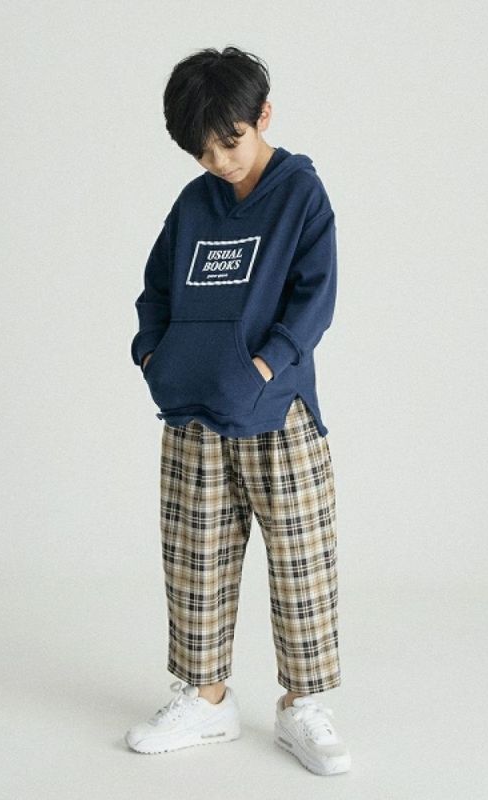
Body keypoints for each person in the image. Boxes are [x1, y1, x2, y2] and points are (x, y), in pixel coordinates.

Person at [124, 45, 350, 776]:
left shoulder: (300, 193)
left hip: (277, 408)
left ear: (264, 116)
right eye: (203, 151)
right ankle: (206, 699)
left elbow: (315, 296)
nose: (220, 161)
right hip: (192, 412)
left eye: (232, 140)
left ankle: (302, 706)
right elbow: (157, 287)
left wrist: (265, 366)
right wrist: (151, 354)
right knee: (195, 557)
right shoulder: (194, 203)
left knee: (301, 558)